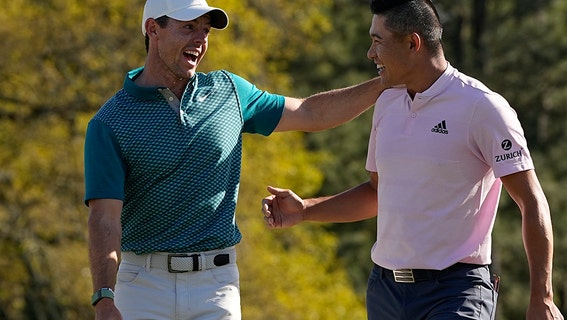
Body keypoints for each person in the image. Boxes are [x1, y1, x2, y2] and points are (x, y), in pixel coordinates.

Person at [262, 0, 564, 319]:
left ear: (412, 43)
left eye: (378, 41)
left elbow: (532, 201)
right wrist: (306, 210)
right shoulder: (387, 102)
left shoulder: (483, 107)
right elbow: (378, 193)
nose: (370, 53)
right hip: (385, 292)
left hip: (455, 293)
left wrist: (541, 296)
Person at [83, 0, 385, 319]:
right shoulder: (110, 123)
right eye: (188, 27)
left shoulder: (229, 91)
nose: (200, 40)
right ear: (153, 29)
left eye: (205, 30)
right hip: (141, 286)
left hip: (215, 286)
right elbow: (104, 219)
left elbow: (309, 112)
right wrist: (104, 297)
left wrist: (383, 84)